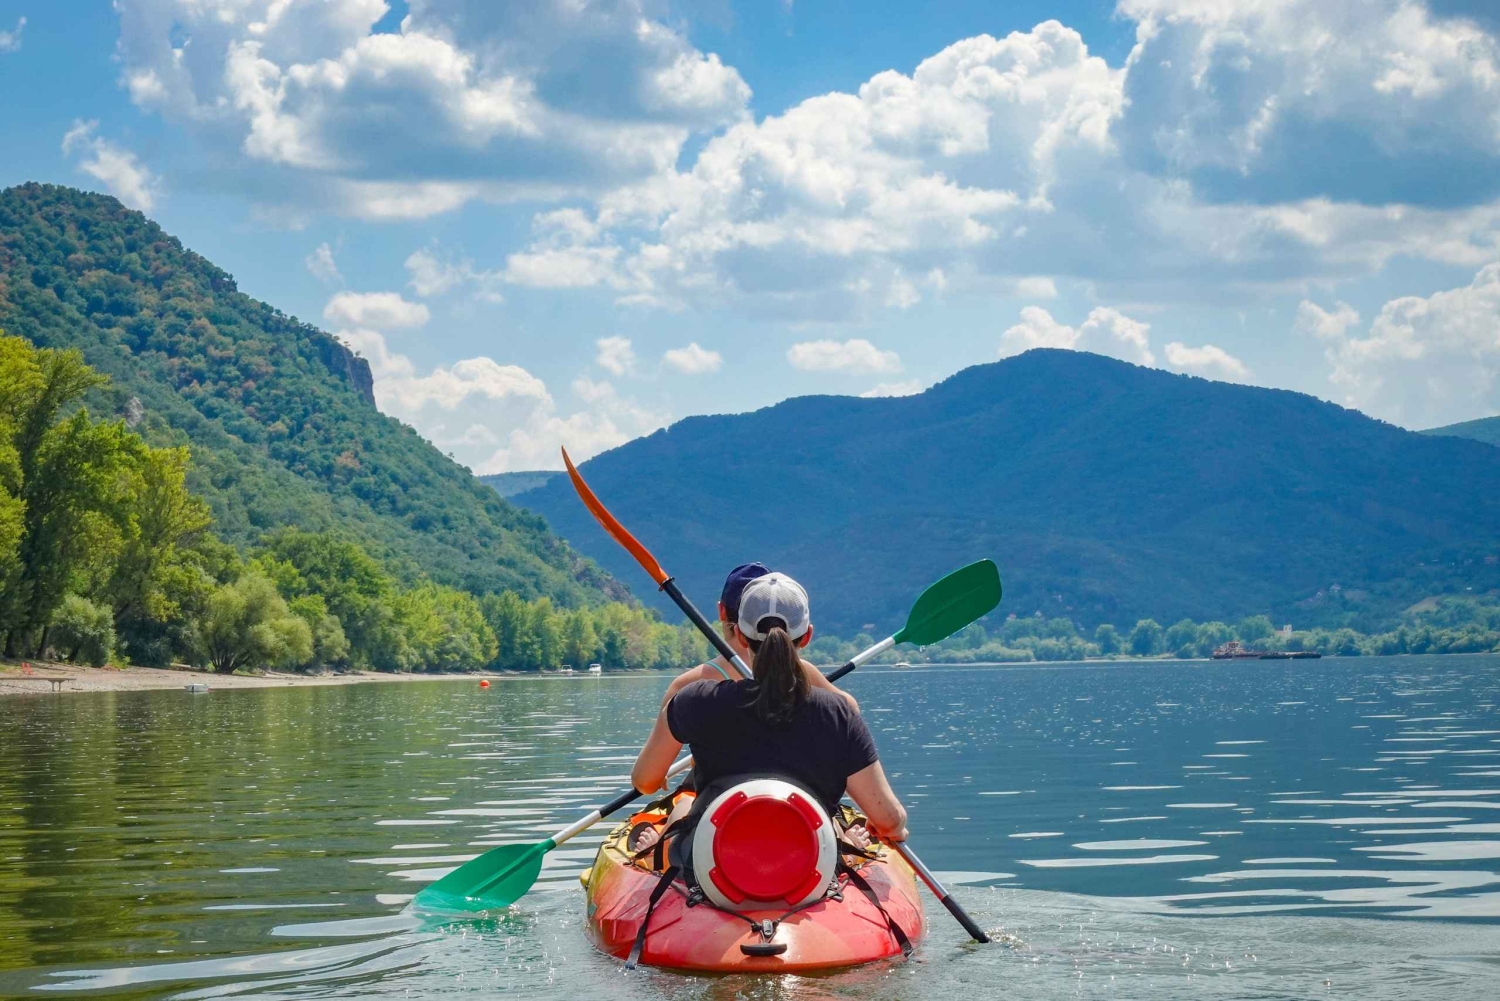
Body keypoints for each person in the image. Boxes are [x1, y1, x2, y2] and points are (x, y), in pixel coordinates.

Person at [630, 573, 906, 858]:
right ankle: (845, 845)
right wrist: (894, 826)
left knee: (683, 811)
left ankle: (660, 851)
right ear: (807, 635)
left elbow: (645, 781)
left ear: (739, 634)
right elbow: (889, 820)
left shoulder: (694, 700)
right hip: (812, 868)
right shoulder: (838, 713)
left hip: (711, 866)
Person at [657, 562, 858, 714]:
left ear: (721, 611)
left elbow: (649, 769)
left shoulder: (688, 687)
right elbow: (850, 711)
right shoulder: (804, 672)